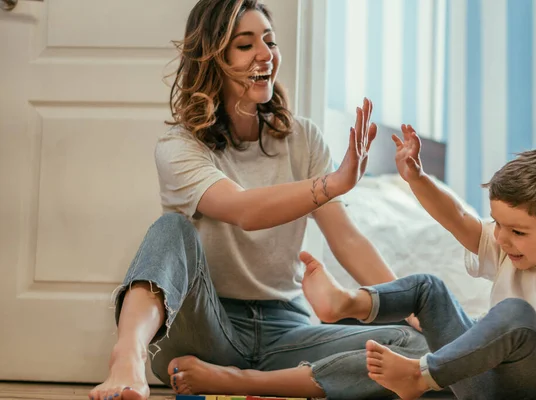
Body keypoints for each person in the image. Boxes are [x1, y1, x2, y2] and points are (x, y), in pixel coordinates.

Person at [88, 2, 428, 399]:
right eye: (245, 45)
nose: (266, 54)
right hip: (208, 329)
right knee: (171, 229)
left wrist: (410, 308)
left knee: (413, 349)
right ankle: (126, 361)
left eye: (269, 41)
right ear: (212, 58)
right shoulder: (180, 147)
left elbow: (347, 240)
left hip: (288, 331)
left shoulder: (303, 139)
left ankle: (241, 383)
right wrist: (332, 184)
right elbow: (245, 210)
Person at [298, 124, 536, 400]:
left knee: (515, 315)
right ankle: (346, 303)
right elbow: (458, 217)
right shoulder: (507, 247)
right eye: (497, 224)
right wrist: (417, 178)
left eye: (517, 231)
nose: (501, 239)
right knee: (429, 287)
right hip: (481, 383)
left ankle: (420, 375)